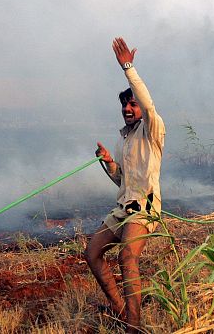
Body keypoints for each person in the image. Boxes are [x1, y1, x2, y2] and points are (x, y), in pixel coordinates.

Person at [86, 37, 165, 332]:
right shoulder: (126, 138)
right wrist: (108, 162)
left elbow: (147, 101)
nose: (128, 109)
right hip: (122, 208)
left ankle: (134, 326)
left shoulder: (153, 129)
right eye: (125, 105)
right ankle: (121, 310)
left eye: (133, 104)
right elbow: (122, 180)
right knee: (92, 253)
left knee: (126, 255)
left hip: (145, 210)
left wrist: (128, 68)